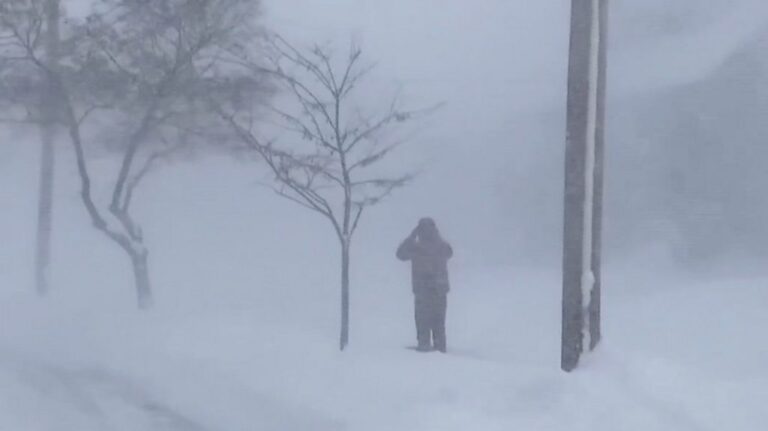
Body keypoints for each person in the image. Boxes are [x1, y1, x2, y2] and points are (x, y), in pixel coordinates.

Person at [396, 218, 453, 353]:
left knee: (426, 322)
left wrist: (411, 236)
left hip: (427, 290)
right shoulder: (435, 246)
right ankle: (437, 348)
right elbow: (400, 255)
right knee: (435, 322)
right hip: (434, 290)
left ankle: (427, 348)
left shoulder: (419, 247)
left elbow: (400, 254)